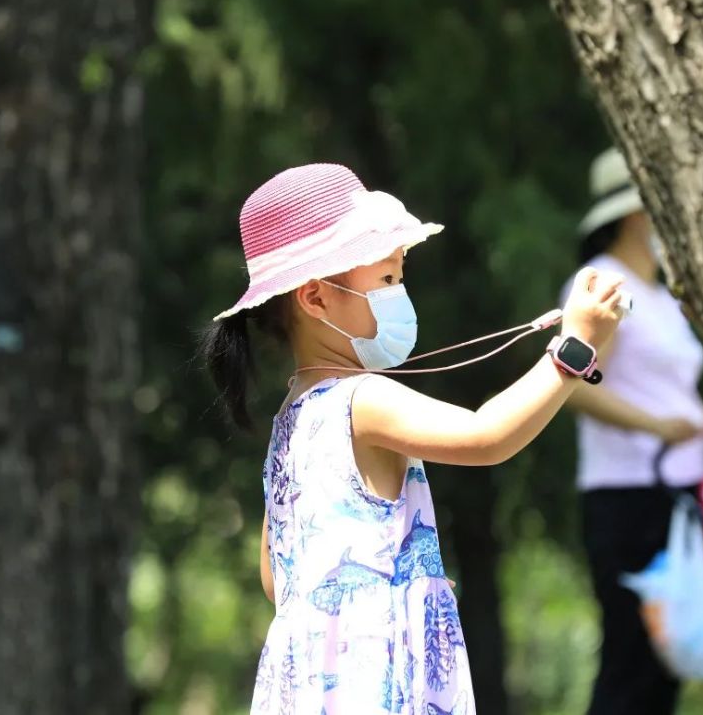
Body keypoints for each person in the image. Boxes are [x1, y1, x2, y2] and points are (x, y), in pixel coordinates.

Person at [202, 163, 625, 714]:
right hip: (372, 680)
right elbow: (485, 436)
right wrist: (574, 350)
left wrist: (397, 577)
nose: (400, 293)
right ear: (315, 298)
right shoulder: (362, 399)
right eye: (386, 280)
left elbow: (277, 574)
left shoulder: (292, 419)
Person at [563, 147, 703, 715]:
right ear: (635, 214)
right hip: (627, 492)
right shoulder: (604, 287)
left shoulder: (659, 297)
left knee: (665, 667)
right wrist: (657, 427)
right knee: (632, 662)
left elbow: (677, 398)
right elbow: (573, 384)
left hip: (677, 492)